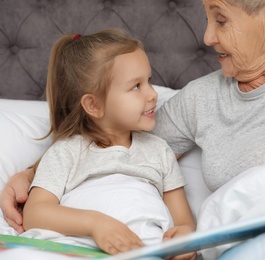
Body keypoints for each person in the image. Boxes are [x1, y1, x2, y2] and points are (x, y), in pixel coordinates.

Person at [2, 0, 265, 250]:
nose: (206, 37)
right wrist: (33, 173)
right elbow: (115, 141)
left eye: (220, 20)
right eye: (207, 18)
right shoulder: (201, 98)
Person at [10, 28, 195, 258]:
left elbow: (184, 222)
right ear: (94, 105)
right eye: (136, 86)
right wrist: (96, 224)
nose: (152, 94)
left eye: (149, 81)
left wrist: (184, 240)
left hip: (141, 249)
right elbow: (35, 213)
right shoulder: (67, 151)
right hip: (78, 247)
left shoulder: (159, 151)